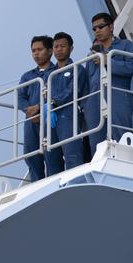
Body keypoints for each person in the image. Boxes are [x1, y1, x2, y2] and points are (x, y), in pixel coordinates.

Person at [82, 12, 133, 154]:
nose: (97, 31)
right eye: (94, 29)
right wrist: (86, 104)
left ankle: (126, 167)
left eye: (101, 27)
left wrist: (108, 61)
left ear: (111, 27)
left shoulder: (126, 45)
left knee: (121, 136)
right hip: (95, 99)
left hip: (118, 95)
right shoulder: (93, 54)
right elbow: (88, 81)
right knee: (96, 143)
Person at [18, 35, 63, 182]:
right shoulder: (27, 76)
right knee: (31, 154)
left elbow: (59, 94)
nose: (36, 53)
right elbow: (20, 97)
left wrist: (40, 108)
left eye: (40, 49)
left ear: (50, 51)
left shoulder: (57, 71)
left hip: (51, 119)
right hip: (31, 122)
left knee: (52, 154)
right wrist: (28, 110)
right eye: (33, 50)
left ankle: (55, 184)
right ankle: (37, 184)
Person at [49, 32, 84, 171]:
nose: (59, 49)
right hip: (51, 116)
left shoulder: (77, 69)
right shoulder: (49, 73)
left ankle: (76, 181)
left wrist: (54, 101)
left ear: (71, 48)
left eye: (62, 46)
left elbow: (73, 90)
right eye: (56, 46)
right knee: (51, 155)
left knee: (72, 153)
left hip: (69, 114)